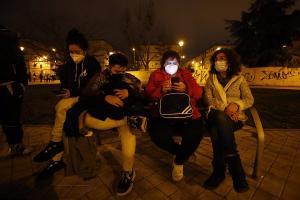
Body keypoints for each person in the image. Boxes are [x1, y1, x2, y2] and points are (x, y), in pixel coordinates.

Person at [63, 52, 145, 196]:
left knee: (128, 134)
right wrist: (105, 97)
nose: (120, 73)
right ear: (109, 66)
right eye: (116, 70)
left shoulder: (128, 77)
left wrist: (129, 92)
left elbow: (141, 90)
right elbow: (87, 95)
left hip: (122, 112)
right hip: (107, 115)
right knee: (89, 119)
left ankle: (128, 172)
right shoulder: (100, 77)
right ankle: (132, 120)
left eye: (123, 70)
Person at [32, 28, 101, 178]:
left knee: (61, 108)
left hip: (87, 98)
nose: (73, 55)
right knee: (61, 110)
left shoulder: (92, 64)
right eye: (71, 52)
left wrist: (73, 92)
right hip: (73, 98)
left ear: (84, 49)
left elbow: (93, 87)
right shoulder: (68, 66)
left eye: (76, 51)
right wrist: (65, 91)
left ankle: (55, 143)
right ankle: (57, 156)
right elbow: (67, 84)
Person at [145, 50, 204, 181]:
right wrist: (160, 90)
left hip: (187, 113)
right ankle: (182, 153)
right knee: (157, 135)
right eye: (168, 62)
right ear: (163, 63)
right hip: (162, 114)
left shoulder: (185, 74)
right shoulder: (156, 74)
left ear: (179, 63)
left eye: (175, 62)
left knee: (195, 134)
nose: (172, 65)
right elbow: (148, 94)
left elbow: (199, 93)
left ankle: (179, 162)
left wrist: (186, 88)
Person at [203, 48, 254, 192]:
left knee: (216, 130)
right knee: (219, 117)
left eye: (223, 58)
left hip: (234, 118)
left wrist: (236, 106)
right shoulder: (210, 79)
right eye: (217, 59)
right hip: (215, 113)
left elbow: (249, 99)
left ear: (230, 60)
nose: (219, 61)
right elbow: (208, 99)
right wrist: (226, 108)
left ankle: (219, 172)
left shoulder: (240, 78)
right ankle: (236, 171)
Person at [0, 25, 31, 156]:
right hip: (10, 85)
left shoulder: (7, 39)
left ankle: (15, 145)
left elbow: (19, 63)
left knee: (11, 118)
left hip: (9, 85)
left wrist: (21, 84)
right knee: (10, 118)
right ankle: (14, 144)